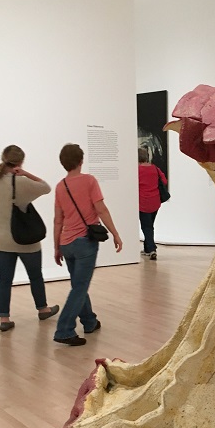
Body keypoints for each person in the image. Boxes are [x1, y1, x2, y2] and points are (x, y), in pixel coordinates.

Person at [53, 143, 122, 346]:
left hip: (66, 243)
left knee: (78, 285)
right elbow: (101, 209)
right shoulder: (89, 181)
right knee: (80, 287)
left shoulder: (60, 186)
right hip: (84, 242)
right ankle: (64, 330)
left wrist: (57, 247)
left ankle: (89, 321)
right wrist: (115, 233)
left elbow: (58, 220)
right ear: (81, 161)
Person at [0, 145, 59, 332]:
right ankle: (42, 309)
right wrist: (26, 173)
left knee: (4, 279)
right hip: (26, 240)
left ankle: (4, 318)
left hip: (1, 239)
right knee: (35, 276)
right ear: (20, 162)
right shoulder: (22, 182)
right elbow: (46, 187)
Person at [138, 146, 167, 261]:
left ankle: (151, 249)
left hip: (143, 202)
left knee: (146, 226)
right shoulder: (155, 168)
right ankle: (147, 248)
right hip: (155, 201)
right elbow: (164, 181)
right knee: (150, 225)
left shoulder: (137, 170)